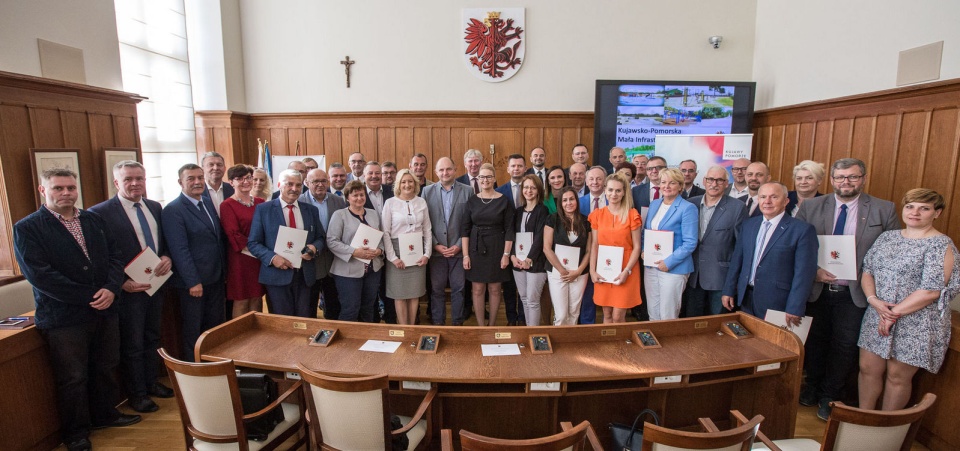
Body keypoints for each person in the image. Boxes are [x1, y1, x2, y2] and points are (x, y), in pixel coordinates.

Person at [15, 168, 139, 451]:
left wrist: (111, 288)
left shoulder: (93, 219)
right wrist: (91, 295)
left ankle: (105, 415)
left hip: (105, 309)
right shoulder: (28, 228)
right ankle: (76, 432)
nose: (67, 193)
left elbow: (114, 258)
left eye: (71, 187)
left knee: (106, 367)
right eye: (59, 188)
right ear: (43, 190)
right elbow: (41, 276)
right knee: (73, 377)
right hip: (64, 318)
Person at [795, 157, 899, 420]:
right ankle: (813, 388)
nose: (846, 182)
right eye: (840, 177)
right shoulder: (812, 206)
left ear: (863, 178)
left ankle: (831, 395)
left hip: (855, 294)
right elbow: (798, 245)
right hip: (817, 289)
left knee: (844, 346)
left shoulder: (883, 210)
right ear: (831, 180)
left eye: (852, 177)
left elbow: (891, 255)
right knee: (815, 342)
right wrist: (814, 271)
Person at [858, 188, 960, 412]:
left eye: (924, 208)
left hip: (917, 321)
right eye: (910, 206)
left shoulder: (941, 245)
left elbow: (931, 290)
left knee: (897, 377)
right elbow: (868, 271)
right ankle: (864, 419)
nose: (915, 212)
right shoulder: (888, 237)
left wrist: (893, 314)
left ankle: (885, 430)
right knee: (868, 368)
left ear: (937, 213)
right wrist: (874, 301)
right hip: (878, 312)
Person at [88, 160, 174, 414]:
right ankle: (137, 394)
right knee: (133, 343)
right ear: (117, 183)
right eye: (128, 179)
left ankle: (151, 382)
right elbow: (98, 256)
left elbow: (164, 241)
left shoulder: (155, 207)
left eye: (139, 178)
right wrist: (120, 283)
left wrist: (167, 256)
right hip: (128, 291)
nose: (135, 183)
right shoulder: (99, 213)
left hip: (156, 285)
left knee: (153, 337)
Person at [722, 183, 818, 322]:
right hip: (746, 298)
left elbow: (804, 273)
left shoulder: (802, 230)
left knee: (771, 344)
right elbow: (738, 260)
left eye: (774, 197)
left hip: (778, 302)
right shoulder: (749, 225)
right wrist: (728, 290)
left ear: (786, 201)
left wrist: (795, 306)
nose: (767, 201)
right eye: (763, 197)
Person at [163, 164, 227, 361]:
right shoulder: (173, 210)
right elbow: (179, 249)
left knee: (214, 327)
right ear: (180, 182)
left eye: (200, 177)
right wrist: (193, 281)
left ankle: (213, 364)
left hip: (215, 277)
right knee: (194, 329)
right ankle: (193, 370)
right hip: (194, 283)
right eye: (191, 178)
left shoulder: (206, 202)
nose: (197, 182)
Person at [247, 169, 325, 318]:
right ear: (279, 185)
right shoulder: (264, 210)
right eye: (289, 184)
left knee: (306, 319)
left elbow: (321, 238)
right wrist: (272, 258)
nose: (294, 189)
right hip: (276, 276)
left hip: (305, 275)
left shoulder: (311, 210)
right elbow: (253, 243)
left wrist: (314, 248)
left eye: (298, 185)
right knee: (282, 322)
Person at [685, 166, 747, 317]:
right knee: (691, 322)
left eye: (719, 180)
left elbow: (742, 248)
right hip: (693, 275)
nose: (714, 184)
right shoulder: (690, 204)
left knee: (717, 324)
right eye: (710, 179)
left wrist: (733, 284)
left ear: (727, 184)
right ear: (704, 181)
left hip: (720, 278)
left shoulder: (737, 207)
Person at [462, 163, 516, 326]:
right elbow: (465, 230)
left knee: (494, 289)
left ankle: (491, 325)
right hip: (476, 248)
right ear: (477, 179)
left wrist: (506, 255)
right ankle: (480, 326)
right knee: (477, 289)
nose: (485, 180)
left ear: (494, 179)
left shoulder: (504, 201)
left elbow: (509, 230)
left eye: (488, 176)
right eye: (481, 177)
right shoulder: (471, 201)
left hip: (497, 248)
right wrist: (465, 255)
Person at [642, 168, 698, 320]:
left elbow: (690, 242)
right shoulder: (654, 204)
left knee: (668, 313)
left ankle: (670, 344)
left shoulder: (688, 208)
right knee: (653, 311)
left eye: (672, 183)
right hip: (651, 266)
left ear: (680, 186)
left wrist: (668, 262)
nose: (666, 186)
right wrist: (643, 250)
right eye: (663, 182)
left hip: (674, 269)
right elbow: (646, 232)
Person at [326, 180, 385, 322]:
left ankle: (367, 339)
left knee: (369, 307)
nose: (359, 198)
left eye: (362, 195)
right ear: (347, 198)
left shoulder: (373, 214)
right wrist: (353, 252)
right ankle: (347, 343)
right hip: (347, 272)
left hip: (372, 270)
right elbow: (332, 241)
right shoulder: (339, 215)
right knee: (350, 308)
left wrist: (379, 250)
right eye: (355, 195)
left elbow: (381, 237)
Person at [423, 157, 473, 325]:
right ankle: (438, 324)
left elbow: (470, 222)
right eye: (441, 170)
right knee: (437, 290)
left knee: (459, 290)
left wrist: (459, 246)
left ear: (455, 169)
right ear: (436, 172)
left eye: (448, 169)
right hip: (437, 252)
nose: (445, 173)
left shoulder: (468, 191)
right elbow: (424, 223)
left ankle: (457, 325)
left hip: (458, 252)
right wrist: (436, 245)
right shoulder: (427, 192)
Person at [589, 173, 643, 323]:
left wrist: (627, 271)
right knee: (606, 315)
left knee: (618, 316)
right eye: (611, 190)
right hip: (604, 268)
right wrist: (592, 271)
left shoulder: (632, 214)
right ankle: (608, 346)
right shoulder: (597, 215)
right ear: (605, 190)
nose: (614, 194)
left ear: (625, 192)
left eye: (618, 190)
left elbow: (637, 247)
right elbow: (594, 245)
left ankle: (621, 347)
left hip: (626, 269)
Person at [382, 169, 432, 325]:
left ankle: (412, 328)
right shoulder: (390, 203)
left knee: (414, 293)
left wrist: (427, 254)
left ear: (415, 183)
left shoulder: (421, 202)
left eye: (410, 181)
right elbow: (385, 233)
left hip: (417, 252)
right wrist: (393, 258)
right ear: (398, 184)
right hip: (397, 253)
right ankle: (404, 329)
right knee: (400, 294)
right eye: (403, 182)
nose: (407, 185)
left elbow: (427, 230)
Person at [218, 165, 265, 318]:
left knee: (257, 297)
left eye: (248, 177)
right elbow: (234, 235)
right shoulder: (227, 205)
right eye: (239, 179)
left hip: (260, 259)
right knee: (242, 299)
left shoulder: (260, 202)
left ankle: (258, 335)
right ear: (231, 182)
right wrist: (260, 252)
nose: (245, 182)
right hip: (241, 258)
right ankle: (239, 337)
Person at [299, 168, 347, 319]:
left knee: (334, 301)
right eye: (315, 181)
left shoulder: (338, 201)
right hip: (310, 260)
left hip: (334, 259)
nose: (320, 185)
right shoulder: (299, 201)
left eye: (323, 181)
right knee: (309, 302)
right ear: (306, 183)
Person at [544, 187, 592, 325]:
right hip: (557, 272)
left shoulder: (585, 221)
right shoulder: (552, 219)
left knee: (574, 312)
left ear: (576, 201)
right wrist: (562, 270)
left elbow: (589, 251)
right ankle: (559, 343)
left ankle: (570, 343)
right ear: (560, 203)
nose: (568, 203)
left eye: (571, 199)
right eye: (564, 200)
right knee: (561, 314)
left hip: (580, 273)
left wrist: (578, 271)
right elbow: (547, 248)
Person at [511, 174, 549, 326]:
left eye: (533, 187)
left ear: (538, 190)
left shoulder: (543, 210)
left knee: (533, 300)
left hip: (536, 263)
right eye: (526, 187)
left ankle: (533, 334)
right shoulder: (518, 211)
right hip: (518, 262)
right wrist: (513, 256)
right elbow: (512, 234)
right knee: (524, 299)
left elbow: (540, 237)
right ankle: (528, 331)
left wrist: (529, 259)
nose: (529, 190)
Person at [496, 154, 527, 325]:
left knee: (524, 284)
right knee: (508, 286)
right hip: (506, 243)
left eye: (519, 166)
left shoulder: (532, 188)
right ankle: (511, 318)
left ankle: (522, 319)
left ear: (525, 168)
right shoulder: (500, 191)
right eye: (513, 166)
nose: (516, 168)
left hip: (527, 243)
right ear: (508, 169)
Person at [577, 165, 607, 325]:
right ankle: (587, 326)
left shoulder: (614, 200)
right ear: (586, 182)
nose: (595, 182)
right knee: (587, 292)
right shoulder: (578, 203)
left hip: (610, 253)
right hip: (585, 253)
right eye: (591, 179)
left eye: (599, 178)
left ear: (605, 181)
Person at [200, 151, 234, 215]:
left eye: (219, 165)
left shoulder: (233, 189)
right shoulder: (197, 192)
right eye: (211, 165)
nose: (215, 168)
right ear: (202, 169)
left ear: (224, 168)